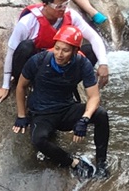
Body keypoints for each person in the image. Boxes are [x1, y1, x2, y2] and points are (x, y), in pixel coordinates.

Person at [13, 24, 111, 177]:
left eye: (65, 50)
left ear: (75, 51)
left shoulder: (81, 64)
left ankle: (101, 163)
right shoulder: (38, 60)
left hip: (66, 109)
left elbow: (94, 96)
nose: (59, 54)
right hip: (42, 113)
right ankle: (72, 162)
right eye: (57, 48)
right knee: (38, 140)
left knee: (101, 114)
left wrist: (84, 119)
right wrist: (21, 115)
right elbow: (21, 86)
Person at [0, 0, 110, 95]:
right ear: (45, 5)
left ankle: (65, 85)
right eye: (58, 6)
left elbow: (94, 37)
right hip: (36, 66)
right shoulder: (28, 22)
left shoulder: (71, 16)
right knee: (25, 47)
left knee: (91, 51)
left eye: (65, 4)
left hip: (60, 65)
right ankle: (29, 85)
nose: (63, 9)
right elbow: (11, 52)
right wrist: (5, 86)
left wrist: (103, 63)